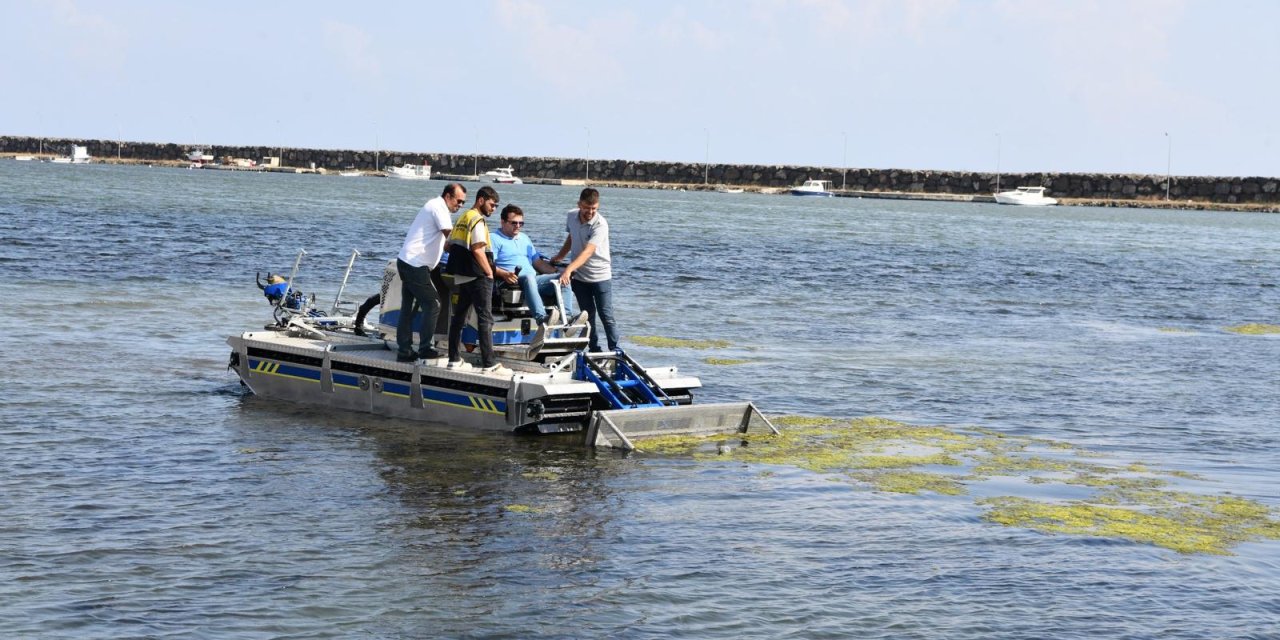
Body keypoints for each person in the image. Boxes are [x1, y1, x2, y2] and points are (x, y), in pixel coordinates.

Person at [395, 183, 467, 362]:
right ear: (448, 196)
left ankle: (404, 351)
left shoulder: (436, 206)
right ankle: (425, 348)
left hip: (409, 262)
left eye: (463, 203)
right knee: (433, 304)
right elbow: (450, 236)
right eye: (459, 201)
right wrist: (471, 249)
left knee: (408, 309)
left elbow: (444, 243)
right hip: (415, 265)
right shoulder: (439, 207)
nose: (460, 206)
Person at [445, 185, 506, 374]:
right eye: (491, 204)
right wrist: (489, 272)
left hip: (462, 275)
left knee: (459, 317)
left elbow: (448, 246)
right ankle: (489, 363)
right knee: (485, 318)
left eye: (496, 206)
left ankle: (454, 359)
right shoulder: (477, 220)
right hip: (478, 275)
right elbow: (478, 249)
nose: (493, 209)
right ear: (481, 200)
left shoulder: (463, 218)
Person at [550, 187, 618, 352]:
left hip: (600, 276)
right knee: (588, 316)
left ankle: (616, 350)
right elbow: (571, 237)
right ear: (579, 204)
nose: (590, 212)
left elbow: (588, 251)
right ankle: (594, 348)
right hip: (580, 278)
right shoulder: (571, 215)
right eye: (587, 208)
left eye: (594, 208)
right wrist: (560, 256)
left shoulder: (600, 224)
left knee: (606, 316)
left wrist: (567, 270)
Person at [490, 204, 574, 327]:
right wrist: (503, 274)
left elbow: (538, 263)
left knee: (563, 278)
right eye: (514, 223)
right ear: (503, 222)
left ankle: (567, 318)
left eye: (521, 223)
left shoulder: (524, 238)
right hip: (510, 281)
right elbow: (489, 265)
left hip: (534, 280)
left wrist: (557, 271)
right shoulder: (493, 238)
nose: (518, 226)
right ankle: (541, 318)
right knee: (529, 278)